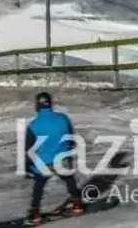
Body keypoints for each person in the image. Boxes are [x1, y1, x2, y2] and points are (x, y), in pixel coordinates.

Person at [25, 92, 83, 222]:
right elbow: (71, 138)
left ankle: (35, 214)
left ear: (37, 106)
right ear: (50, 103)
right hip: (63, 159)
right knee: (69, 179)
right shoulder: (63, 118)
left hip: (44, 163)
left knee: (39, 185)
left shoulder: (33, 125)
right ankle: (77, 204)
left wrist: (27, 168)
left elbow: (29, 150)